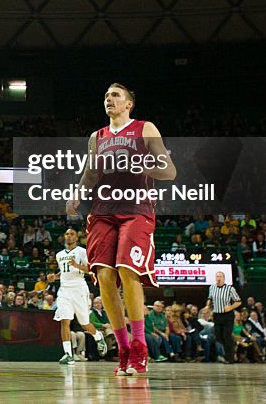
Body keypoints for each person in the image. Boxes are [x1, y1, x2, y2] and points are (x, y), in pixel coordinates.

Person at [67, 83, 176, 376]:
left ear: (129, 104)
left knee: (128, 270)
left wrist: (140, 165)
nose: (109, 99)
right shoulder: (97, 136)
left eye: (115, 95)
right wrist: (77, 194)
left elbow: (169, 171)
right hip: (103, 211)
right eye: (105, 96)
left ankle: (140, 346)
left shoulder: (144, 128)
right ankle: (124, 347)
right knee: (104, 275)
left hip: (136, 210)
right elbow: (90, 173)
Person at [49, 227, 106, 363]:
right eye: (67, 234)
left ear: (76, 238)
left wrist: (76, 265)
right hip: (64, 290)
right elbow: (63, 272)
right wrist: (54, 277)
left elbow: (90, 270)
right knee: (64, 320)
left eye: (71, 234)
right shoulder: (59, 255)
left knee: (85, 323)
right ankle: (68, 354)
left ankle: (98, 336)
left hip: (79, 289)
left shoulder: (82, 252)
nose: (69, 236)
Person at [208, 271, 241, 363]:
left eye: (220, 276)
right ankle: (226, 353)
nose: (219, 278)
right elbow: (209, 298)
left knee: (227, 336)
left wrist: (230, 307)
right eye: (217, 276)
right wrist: (208, 306)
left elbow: (238, 301)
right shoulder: (212, 287)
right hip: (217, 314)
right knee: (218, 335)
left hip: (227, 315)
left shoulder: (230, 289)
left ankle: (229, 358)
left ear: (224, 278)